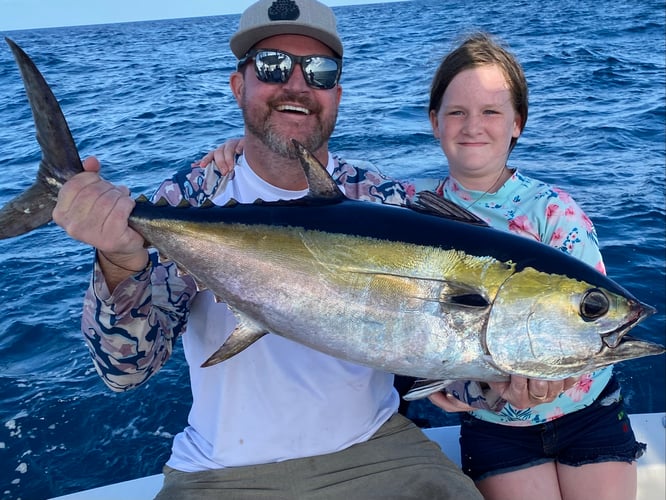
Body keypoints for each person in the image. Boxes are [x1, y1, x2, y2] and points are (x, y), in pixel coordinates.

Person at [51, 0, 483, 498]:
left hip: (379, 450)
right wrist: (118, 261)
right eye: (273, 65)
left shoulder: (383, 200)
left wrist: (505, 380)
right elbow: (124, 373)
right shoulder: (189, 199)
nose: (296, 84)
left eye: (319, 71)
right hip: (222, 472)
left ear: (336, 94)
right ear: (240, 85)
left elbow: (445, 345)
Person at [202, 32, 647, 500]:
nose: (473, 125)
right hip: (498, 430)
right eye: (457, 112)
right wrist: (245, 146)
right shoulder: (408, 206)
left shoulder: (556, 214)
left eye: (492, 111)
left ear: (518, 122)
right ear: (434, 122)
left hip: (586, 415)